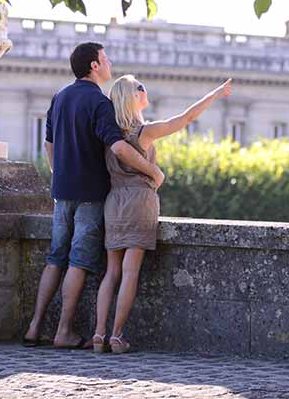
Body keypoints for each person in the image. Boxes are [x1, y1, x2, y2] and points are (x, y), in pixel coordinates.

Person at [23, 43, 165, 349]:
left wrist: (59, 174)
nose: (110, 62)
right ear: (94, 66)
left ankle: (34, 327)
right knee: (78, 261)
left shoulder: (59, 97)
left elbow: (48, 145)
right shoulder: (100, 103)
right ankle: (63, 331)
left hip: (62, 192)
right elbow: (119, 147)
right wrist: (153, 171)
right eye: (105, 58)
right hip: (90, 193)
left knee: (55, 259)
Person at [92, 75, 232, 353]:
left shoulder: (111, 136)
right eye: (140, 88)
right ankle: (117, 336)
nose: (145, 90)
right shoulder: (143, 132)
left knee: (111, 272)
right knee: (130, 272)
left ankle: (98, 335)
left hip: (113, 201)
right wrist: (214, 94)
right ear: (132, 98)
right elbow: (185, 118)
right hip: (139, 200)